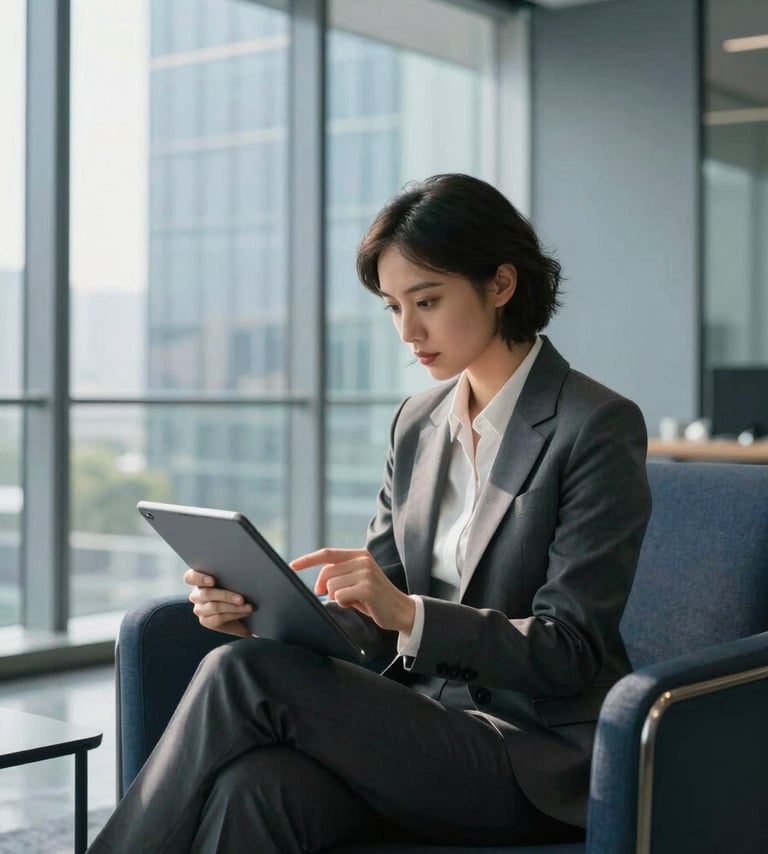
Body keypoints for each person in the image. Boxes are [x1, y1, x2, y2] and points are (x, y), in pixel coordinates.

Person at [88, 173, 651, 853]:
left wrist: (411, 615)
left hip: (530, 753)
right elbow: (372, 619)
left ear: (501, 284)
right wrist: (261, 618)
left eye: (427, 301)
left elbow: (571, 650)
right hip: (418, 727)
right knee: (255, 787)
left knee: (241, 673)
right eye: (392, 307)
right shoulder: (417, 424)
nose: (408, 331)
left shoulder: (594, 425)